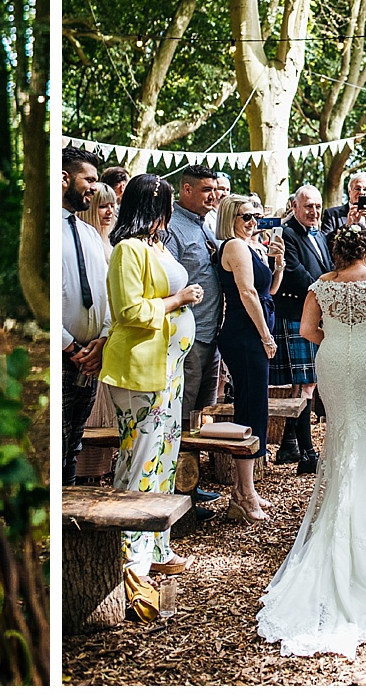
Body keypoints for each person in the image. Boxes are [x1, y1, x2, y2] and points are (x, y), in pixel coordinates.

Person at [255, 225, 366, 657]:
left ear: (335, 251)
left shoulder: (318, 286)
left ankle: (342, 520)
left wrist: (338, 339)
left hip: (334, 361)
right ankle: (365, 530)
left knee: (343, 437)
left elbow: (309, 331)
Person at [98, 174, 206, 576]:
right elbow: (130, 311)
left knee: (164, 455)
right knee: (140, 456)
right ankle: (131, 553)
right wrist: (179, 299)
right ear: (150, 208)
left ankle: (158, 544)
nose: (170, 214)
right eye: (164, 207)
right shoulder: (127, 249)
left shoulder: (157, 245)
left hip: (168, 368)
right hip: (141, 370)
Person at [161, 166, 228, 512]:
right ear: (185, 189)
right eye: (205, 190)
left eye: (215, 189)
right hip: (188, 337)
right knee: (182, 412)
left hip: (212, 333)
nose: (213, 195)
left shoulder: (207, 225)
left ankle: (192, 482)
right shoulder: (171, 228)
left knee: (199, 416)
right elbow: (166, 279)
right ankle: (174, 490)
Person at [215, 195, 285, 521]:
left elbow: (268, 290)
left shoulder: (251, 246)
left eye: (256, 216)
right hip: (245, 336)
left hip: (255, 333)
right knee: (250, 409)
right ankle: (242, 493)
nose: (253, 222)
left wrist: (278, 265)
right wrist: (265, 337)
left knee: (257, 408)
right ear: (231, 217)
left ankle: (248, 488)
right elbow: (247, 293)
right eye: (246, 217)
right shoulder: (234, 246)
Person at [60, 146, 111, 480]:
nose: (94, 186)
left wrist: (102, 339)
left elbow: (106, 292)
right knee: (59, 440)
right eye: (88, 179)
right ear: (65, 179)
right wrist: (71, 348)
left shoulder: (90, 233)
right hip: (64, 357)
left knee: (75, 445)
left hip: (92, 357)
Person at [269, 186, 328, 474]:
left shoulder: (318, 233)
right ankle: (308, 453)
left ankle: (289, 445)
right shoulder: (286, 233)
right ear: (294, 205)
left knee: (304, 384)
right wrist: (328, 294)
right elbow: (295, 275)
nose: (314, 212)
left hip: (312, 313)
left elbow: (327, 268)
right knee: (303, 384)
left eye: (317, 206)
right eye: (308, 207)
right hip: (294, 314)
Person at [321, 171, 366, 263]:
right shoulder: (332, 215)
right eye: (357, 188)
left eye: (365, 189)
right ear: (349, 192)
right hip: (342, 270)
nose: (361, 192)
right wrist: (347, 226)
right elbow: (324, 247)